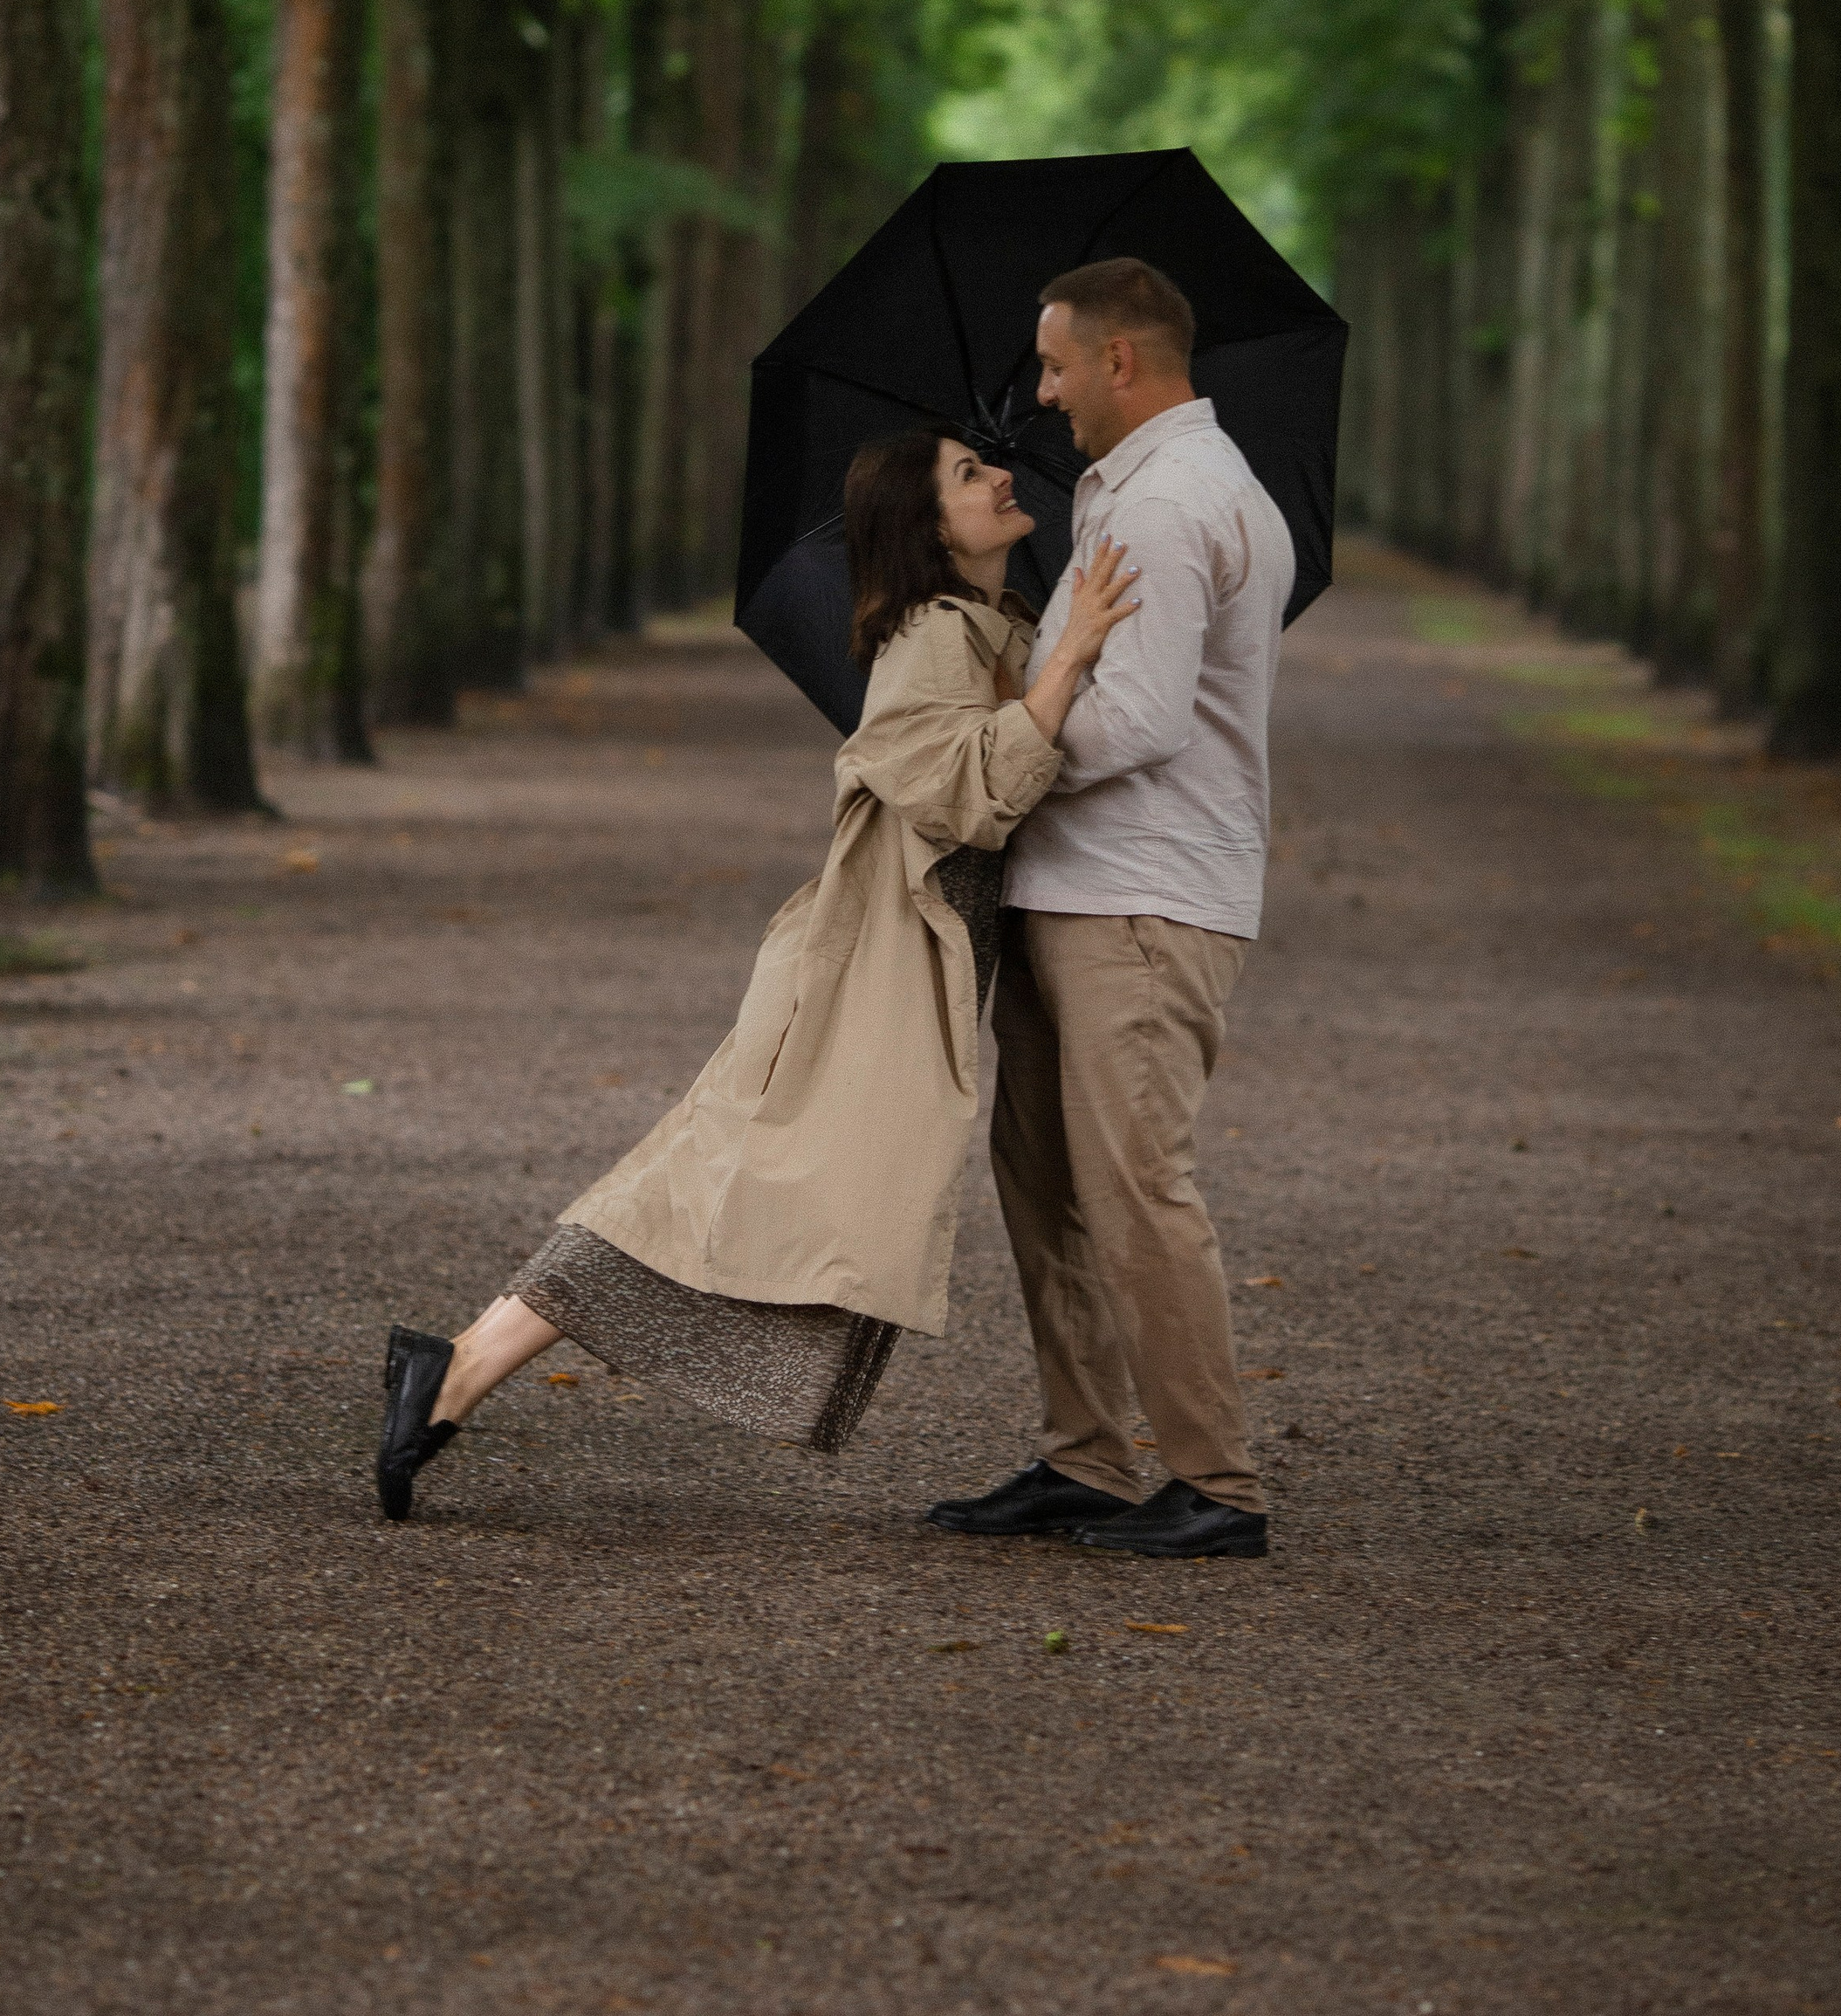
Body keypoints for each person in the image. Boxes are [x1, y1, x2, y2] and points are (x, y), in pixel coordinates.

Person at [374, 430, 1138, 1521]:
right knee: (706, 1185)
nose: (1002, 478)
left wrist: (1054, 651)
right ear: (925, 525)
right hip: (858, 979)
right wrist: (1072, 660)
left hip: (894, 974)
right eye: (970, 475)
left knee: (729, 1187)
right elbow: (970, 795)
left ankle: (450, 1369)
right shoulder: (930, 635)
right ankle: (449, 1368)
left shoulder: (985, 624)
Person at [925, 255, 1292, 1562]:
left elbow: (1133, 717)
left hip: (1138, 899)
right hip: (1074, 884)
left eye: (1057, 364)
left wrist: (998, 752)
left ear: (1120, 362)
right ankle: (1087, 1454)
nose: (1045, 389)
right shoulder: (1133, 490)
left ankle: (1219, 1482)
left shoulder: (1172, 501)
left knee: (1136, 1188)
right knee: (1046, 1181)